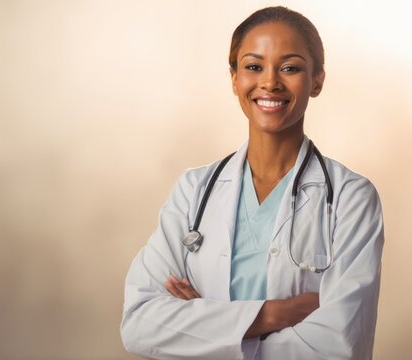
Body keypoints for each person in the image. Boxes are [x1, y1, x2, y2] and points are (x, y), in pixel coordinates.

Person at [120, 6, 385, 360]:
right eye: (253, 66)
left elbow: (338, 347)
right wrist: (274, 314)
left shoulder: (351, 198)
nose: (270, 82)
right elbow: (139, 323)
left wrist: (206, 328)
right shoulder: (194, 191)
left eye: (290, 67)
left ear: (317, 80)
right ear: (234, 79)